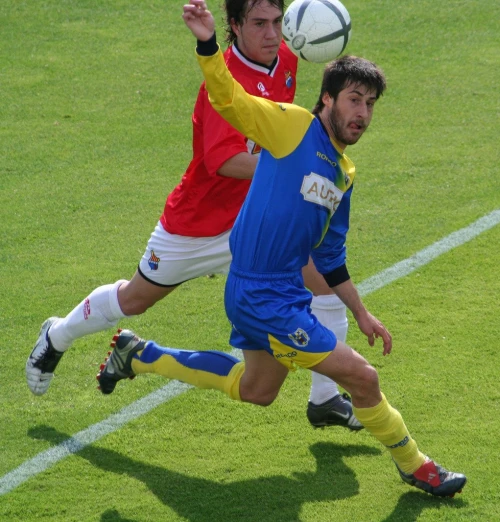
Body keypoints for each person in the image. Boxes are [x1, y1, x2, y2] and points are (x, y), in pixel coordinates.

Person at [95, 0, 467, 498]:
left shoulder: (344, 175)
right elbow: (229, 100)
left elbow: (330, 257)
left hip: (278, 292)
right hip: (263, 297)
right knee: (363, 376)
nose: (362, 114)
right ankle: (416, 465)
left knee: (258, 391)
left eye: (370, 105)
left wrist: (363, 313)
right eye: (354, 100)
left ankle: (139, 354)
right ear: (327, 99)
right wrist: (208, 44)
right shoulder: (291, 127)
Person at [26, 0, 361, 432]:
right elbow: (221, 159)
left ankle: (325, 399)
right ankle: (58, 335)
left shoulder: (289, 61)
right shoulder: (224, 80)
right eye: (259, 24)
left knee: (327, 290)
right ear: (235, 27)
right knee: (134, 299)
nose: (271, 34)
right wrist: (292, 166)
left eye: (277, 22)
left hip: (253, 224)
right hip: (197, 225)